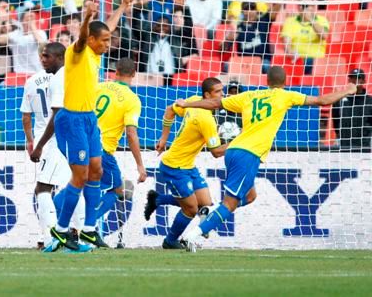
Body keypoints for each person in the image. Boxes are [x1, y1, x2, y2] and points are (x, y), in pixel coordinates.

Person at [177, 66, 357, 252]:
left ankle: (209, 214)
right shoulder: (286, 96)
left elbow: (215, 103)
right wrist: (348, 90)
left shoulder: (249, 96)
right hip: (248, 154)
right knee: (229, 204)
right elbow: (321, 100)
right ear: (285, 82)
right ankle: (192, 236)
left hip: (233, 150)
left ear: (267, 82)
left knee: (250, 196)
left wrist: (187, 104)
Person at [30, 0, 135, 251]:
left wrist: (122, 6)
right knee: (81, 175)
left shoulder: (95, 53)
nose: (108, 44)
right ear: (91, 40)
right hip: (71, 119)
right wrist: (87, 15)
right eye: (105, 41)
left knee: (96, 171)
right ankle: (62, 228)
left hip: (89, 118)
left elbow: (106, 27)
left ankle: (89, 230)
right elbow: (81, 38)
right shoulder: (76, 53)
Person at [144, 77, 232, 249]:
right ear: (207, 95)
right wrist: (241, 141)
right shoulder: (206, 120)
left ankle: (158, 199)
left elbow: (170, 110)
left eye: (223, 90)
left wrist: (163, 138)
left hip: (188, 165)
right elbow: (216, 152)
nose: (223, 94)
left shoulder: (192, 101)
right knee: (191, 209)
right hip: (174, 167)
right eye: (218, 92)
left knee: (205, 203)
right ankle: (169, 241)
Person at [21, 42, 72, 249]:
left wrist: (32, 141)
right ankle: (74, 232)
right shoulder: (69, 78)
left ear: (57, 57)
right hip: (65, 137)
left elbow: (26, 115)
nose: (42, 60)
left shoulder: (32, 81)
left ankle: (50, 237)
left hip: (49, 138)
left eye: (46, 56)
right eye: (41, 56)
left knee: (44, 188)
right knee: (72, 184)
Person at [90, 58, 147, 244]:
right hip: (103, 150)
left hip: (84, 144)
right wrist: (140, 165)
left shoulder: (99, 87)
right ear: (133, 74)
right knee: (117, 189)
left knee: (84, 188)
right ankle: (85, 226)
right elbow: (131, 133)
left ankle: (79, 227)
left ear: (115, 72)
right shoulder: (132, 100)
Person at [224, 2, 281, 74]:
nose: (249, 11)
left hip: (262, 62)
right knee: (227, 65)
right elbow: (223, 49)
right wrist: (228, 40)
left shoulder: (264, 21)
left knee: (266, 66)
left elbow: (276, 8)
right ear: (242, 12)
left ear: (256, 10)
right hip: (244, 63)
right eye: (246, 9)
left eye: (252, 8)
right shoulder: (237, 28)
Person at [0, 8, 48, 73]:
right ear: (22, 21)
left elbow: (42, 45)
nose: (30, 20)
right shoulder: (16, 34)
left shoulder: (41, 33)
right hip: (19, 75)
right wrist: (0, 20)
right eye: (27, 18)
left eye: (32, 18)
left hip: (37, 73)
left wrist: (32, 26)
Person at [281, 4, 329, 75]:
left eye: (305, 5)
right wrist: (290, 51)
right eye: (300, 5)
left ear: (313, 7)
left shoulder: (322, 20)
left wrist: (310, 20)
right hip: (297, 59)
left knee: (308, 63)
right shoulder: (290, 21)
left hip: (316, 60)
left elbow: (324, 35)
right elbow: (286, 42)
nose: (302, 8)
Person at [332, 69, 372, 150]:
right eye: (352, 78)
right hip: (344, 144)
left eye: (358, 78)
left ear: (364, 81)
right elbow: (335, 121)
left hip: (365, 145)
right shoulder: (340, 99)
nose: (355, 81)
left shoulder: (370, 101)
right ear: (349, 80)